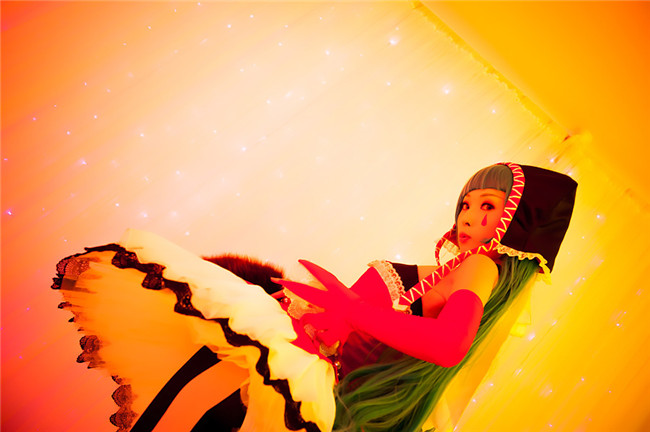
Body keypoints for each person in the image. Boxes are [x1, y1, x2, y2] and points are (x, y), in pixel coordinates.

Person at [52, 162, 576, 432]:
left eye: (489, 206)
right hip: (317, 373)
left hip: (319, 382)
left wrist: (351, 309)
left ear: (515, 220)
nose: (468, 216)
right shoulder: (453, 271)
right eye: (466, 204)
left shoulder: (481, 266)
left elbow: (448, 345)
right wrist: (330, 310)